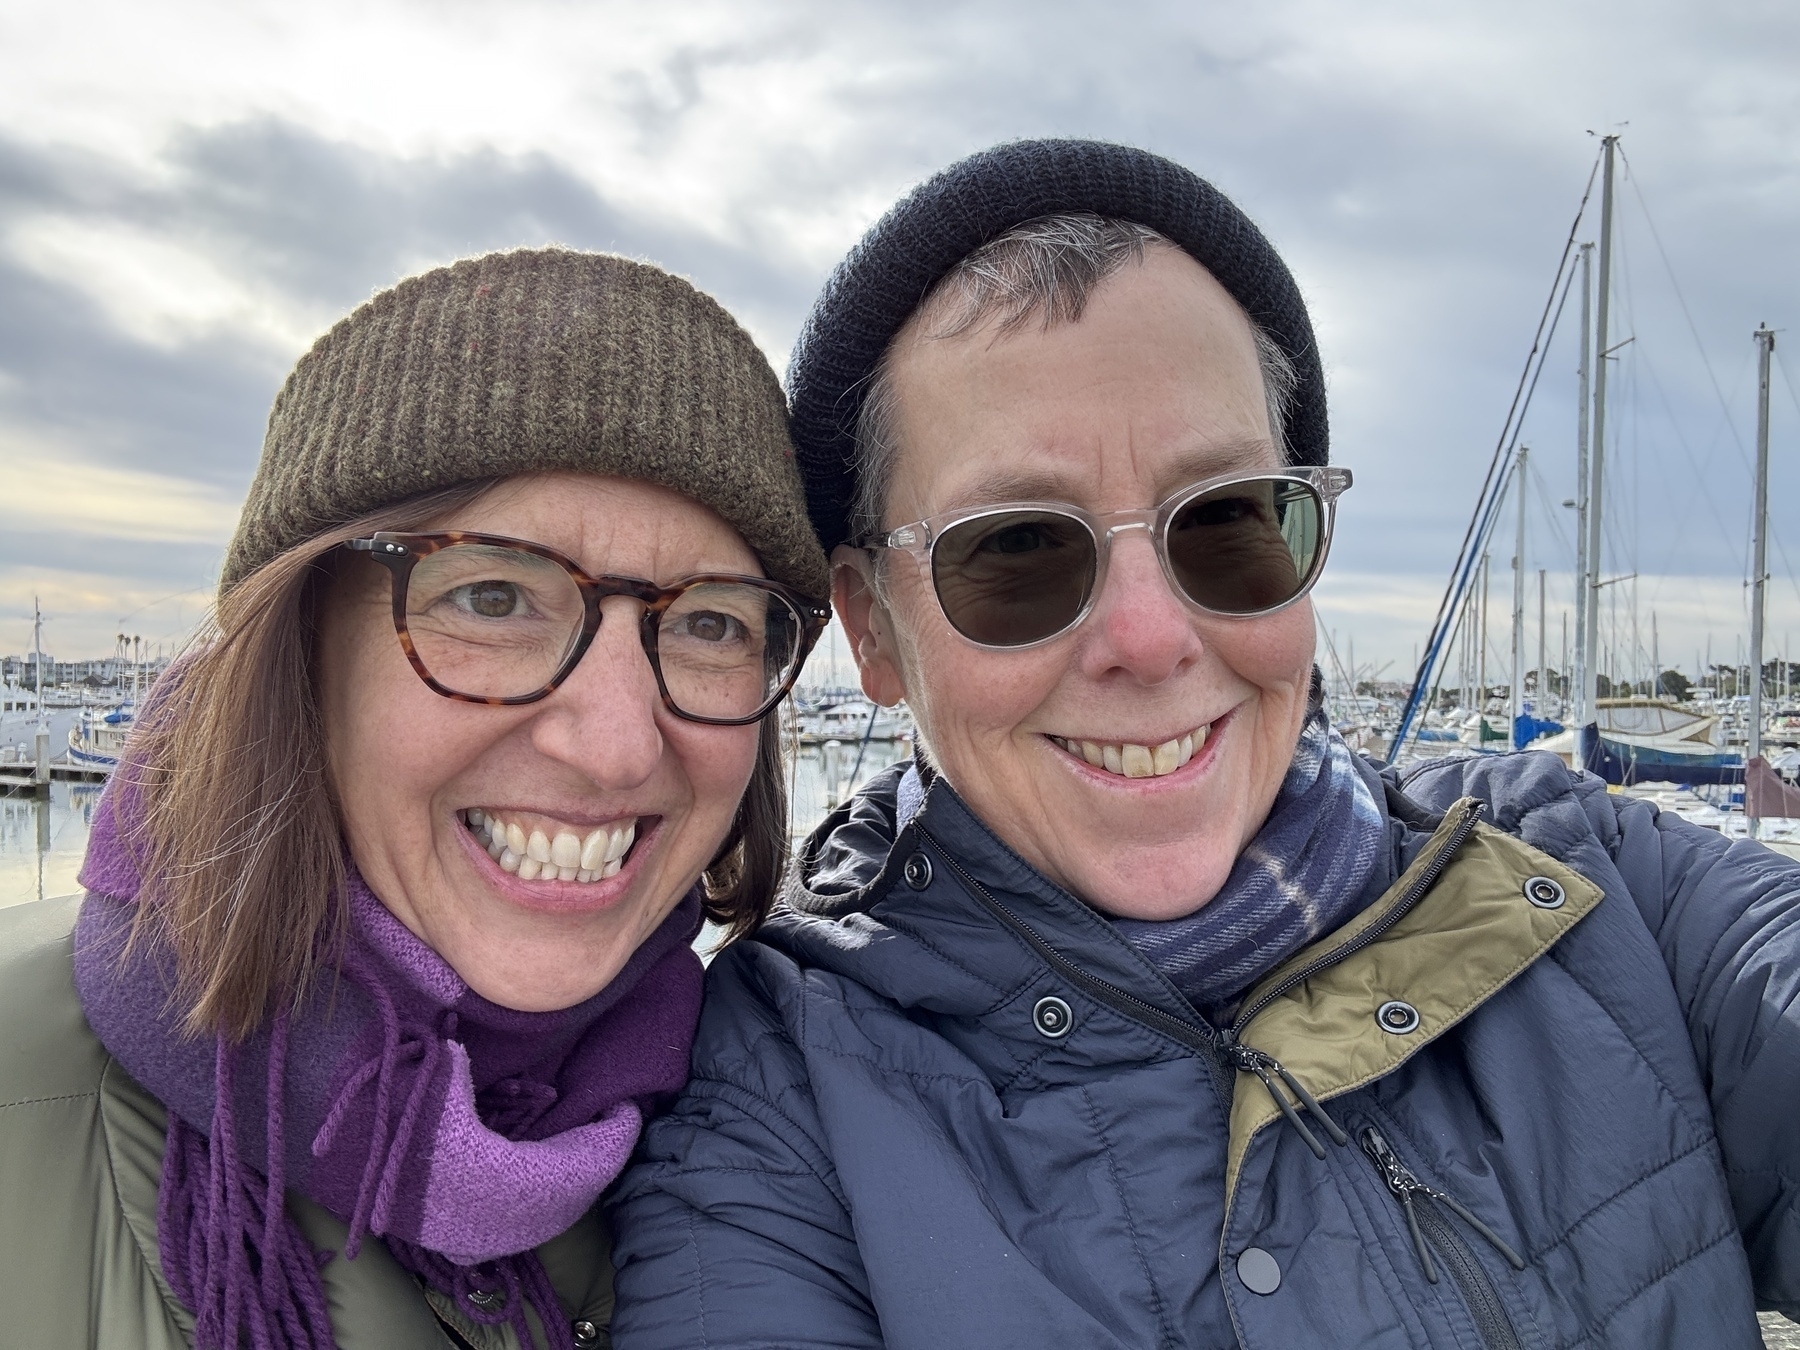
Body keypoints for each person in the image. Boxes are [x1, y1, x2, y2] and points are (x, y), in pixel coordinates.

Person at [608, 141, 1800, 1348]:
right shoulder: (783, 1100)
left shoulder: (1578, 876)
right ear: (872, 629)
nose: (1150, 636)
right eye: (1015, 549)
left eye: (1227, 520)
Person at [0, 248, 830, 1350]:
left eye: (710, 622)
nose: (620, 746)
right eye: (493, 595)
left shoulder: (779, 1119)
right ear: (298, 652)